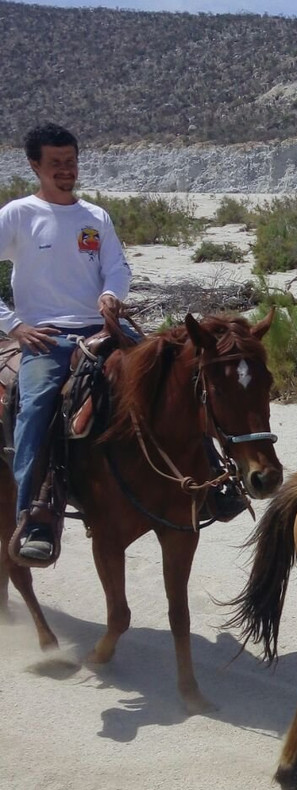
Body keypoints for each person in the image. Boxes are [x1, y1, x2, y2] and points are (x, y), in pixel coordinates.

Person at [0, 122, 132, 563]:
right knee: (35, 405)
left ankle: (212, 478)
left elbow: (117, 267)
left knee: (174, 369)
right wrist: (13, 325)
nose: (66, 170)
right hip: (46, 337)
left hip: (100, 330)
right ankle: (33, 515)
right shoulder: (18, 215)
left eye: (71, 162)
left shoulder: (95, 218)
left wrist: (112, 294)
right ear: (34, 165)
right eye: (56, 163)